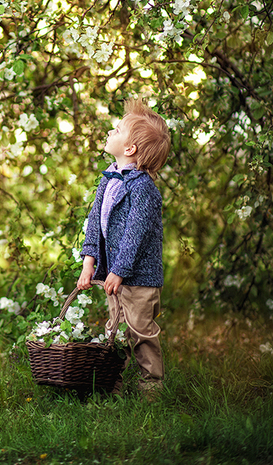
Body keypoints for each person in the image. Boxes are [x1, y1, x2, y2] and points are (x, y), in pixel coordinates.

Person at [77, 98, 171, 396]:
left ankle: (151, 387)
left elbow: (135, 235)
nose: (110, 131)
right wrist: (89, 262)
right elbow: (95, 223)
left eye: (117, 130)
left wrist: (119, 270)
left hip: (139, 279)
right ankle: (111, 386)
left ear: (130, 149)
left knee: (141, 332)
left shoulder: (143, 188)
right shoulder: (108, 180)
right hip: (114, 277)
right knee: (115, 333)